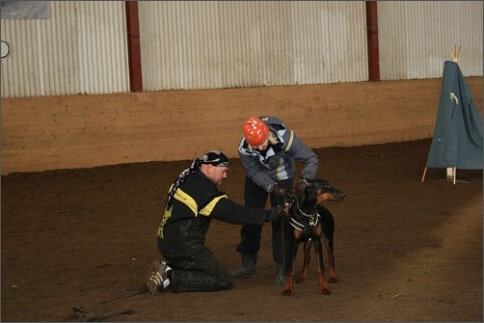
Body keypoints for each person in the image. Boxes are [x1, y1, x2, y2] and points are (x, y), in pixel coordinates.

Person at [147, 150, 276, 295]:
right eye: (223, 171)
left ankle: (168, 267)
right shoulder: (202, 189)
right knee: (222, 279)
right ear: (209, 168)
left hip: (166, 241)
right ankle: (170, 276)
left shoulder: (188, 176)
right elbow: (231, 212)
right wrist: (268, 215)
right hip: (183, 247)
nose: (225, 176)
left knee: (205, 264)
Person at [233, 116, 319, 285]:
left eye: (262, 143)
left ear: (268, 135)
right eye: (255, 146)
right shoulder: (244, 148)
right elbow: (253, 172)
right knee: (251, 216)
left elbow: (311, 158)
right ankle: (248, 262)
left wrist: (305, 180)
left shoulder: (286, 138)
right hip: (258, 177)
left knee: (281, 220)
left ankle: (283, 268)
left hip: (282, 175)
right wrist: (271, 187)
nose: (259, 148)